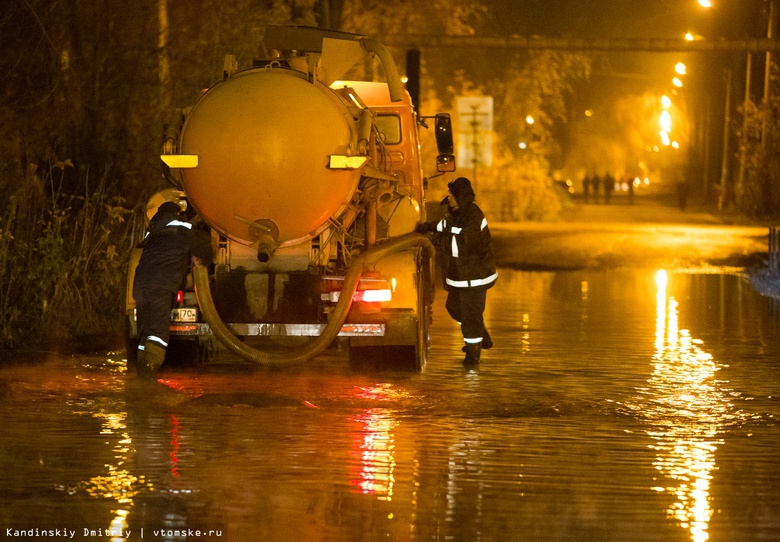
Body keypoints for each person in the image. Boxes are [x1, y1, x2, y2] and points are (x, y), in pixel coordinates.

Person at [417, 177, 497, 365]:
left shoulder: (473, 216)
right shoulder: (456, 213)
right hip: (461, 276)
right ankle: (479, 332)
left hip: (474, 277)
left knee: (470, 316)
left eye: (451, 196)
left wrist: (433, 239)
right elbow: (447, 227)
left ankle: (472, 355)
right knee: (453, 308)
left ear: (460, 197)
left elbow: (460, 247)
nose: (449, 199)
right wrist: (429, 226)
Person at [133, 201, 213, 378]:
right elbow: (204, 247)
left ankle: (140, 375)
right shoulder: (182, 227)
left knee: (144, 333)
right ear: (177, 213)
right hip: (161, 285)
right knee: (158, 334)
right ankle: (147, 380)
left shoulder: (153, 232)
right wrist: (202, 261)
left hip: (140, 285)